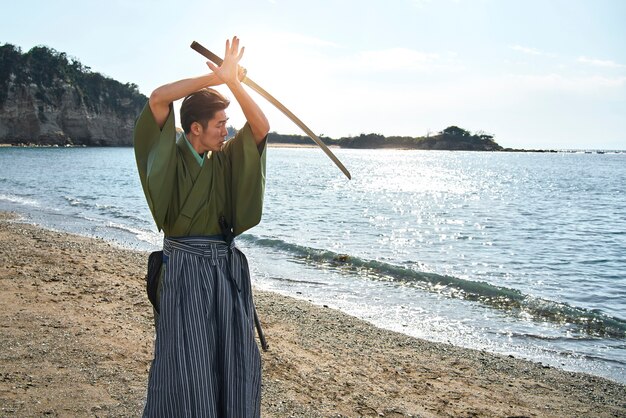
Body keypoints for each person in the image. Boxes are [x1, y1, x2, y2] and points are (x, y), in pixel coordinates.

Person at [133, 36, 269, 417]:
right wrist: (212, 79)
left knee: (237, 358)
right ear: (194, 127)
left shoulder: (224, 160)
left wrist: (234, 84)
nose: (226, 131)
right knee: (187, 364)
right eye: (220, 124)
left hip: (224, 271)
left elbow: (261, 127)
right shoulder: (169, 153)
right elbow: (159, 98)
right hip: (185, 270)